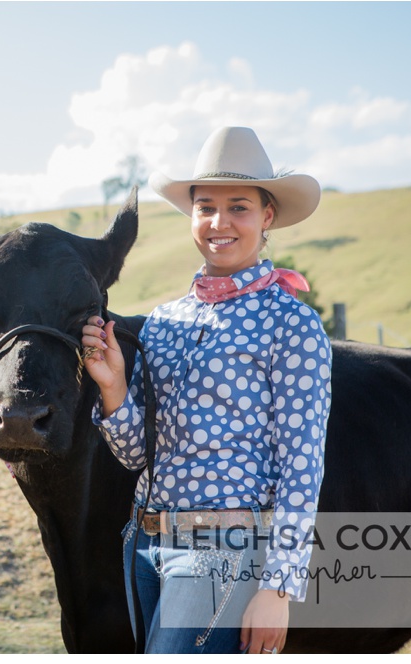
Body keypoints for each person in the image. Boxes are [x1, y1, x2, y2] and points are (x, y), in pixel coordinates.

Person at [81, 126, 331, 654]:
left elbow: (302, 465)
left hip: (224, 549)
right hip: (145, 542)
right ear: (191, 216)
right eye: (206, 207)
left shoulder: (291, 324)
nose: (220, 223)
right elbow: (134, 455)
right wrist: (115, 386)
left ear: (267, 217)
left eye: (238, 207)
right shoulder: (165, 321)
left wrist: (278, 587)